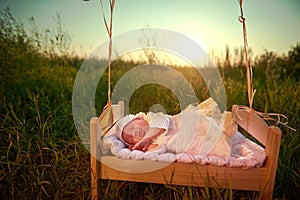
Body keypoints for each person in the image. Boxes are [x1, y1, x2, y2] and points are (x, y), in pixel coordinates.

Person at [107, 98, 238, 158]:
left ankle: (222, 126)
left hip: (186, 125)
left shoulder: (153, 119)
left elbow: (162, 123)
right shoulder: (150, 143)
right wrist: (146, 149)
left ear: (140, 119)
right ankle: (222, 138)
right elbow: (160, 150)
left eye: (131, 127)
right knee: (207, 146)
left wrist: (144, 140)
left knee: (204, 125)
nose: (134, 132)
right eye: (131, 138)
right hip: (184, 142)